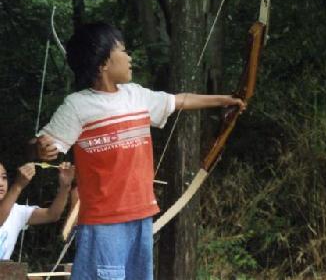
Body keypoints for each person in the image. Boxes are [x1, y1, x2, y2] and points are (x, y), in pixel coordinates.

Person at [33, 22, 245, 280]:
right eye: (123, 51)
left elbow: (180, 100)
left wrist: (225, 100)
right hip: (103, 222)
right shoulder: (78, 106)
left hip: (141, 214)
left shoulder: (136, 95)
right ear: (103, 64)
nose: (129, 57)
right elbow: (44, 143)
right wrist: (41, 149)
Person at [0, 161, 74, 260]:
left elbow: (52, 215)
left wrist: (65, 187)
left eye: (4, 177)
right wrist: (17, 187)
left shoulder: (16, 211)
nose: (1, 183)